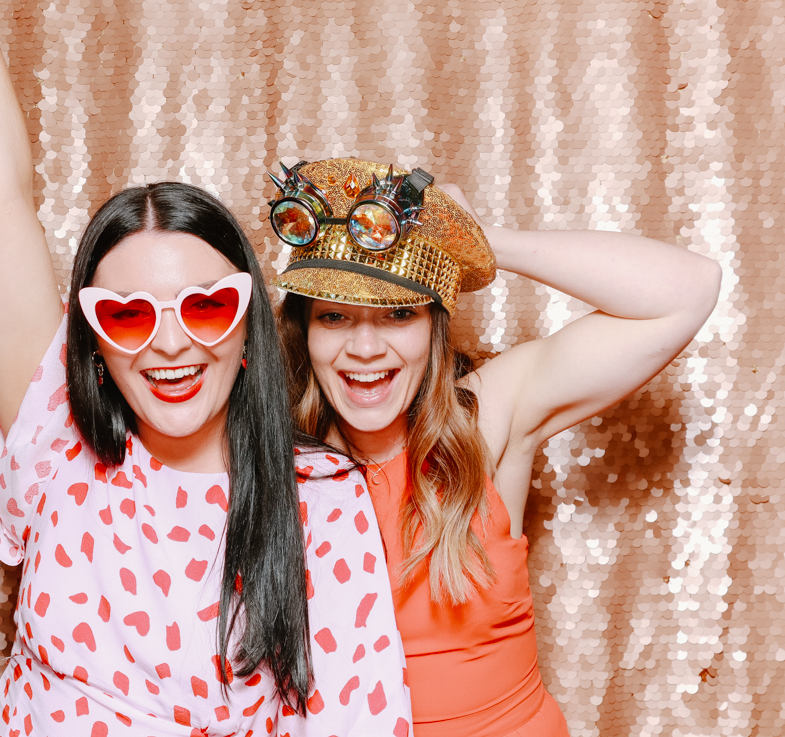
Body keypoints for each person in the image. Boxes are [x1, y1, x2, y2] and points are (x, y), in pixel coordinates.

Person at [0, 0, 413, 735]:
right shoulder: (58, 448)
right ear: (96, 349)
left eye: (206, 307)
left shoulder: (320, 497)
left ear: (247, 327)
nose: (170, 343)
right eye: (129, 315)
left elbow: (358, 719)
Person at [270, 158, 722, 736]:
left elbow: (688, 289)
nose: (364, 347)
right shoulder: (271, 458)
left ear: (434, 327)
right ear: (304, 331)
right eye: (335, 317)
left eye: (398, 313)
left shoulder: (481, 416)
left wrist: (477, 238)